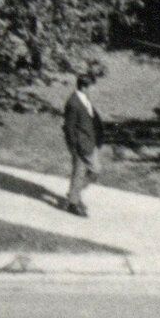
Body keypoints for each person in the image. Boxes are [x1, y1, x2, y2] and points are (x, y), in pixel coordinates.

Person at [60, 62, 104, 217]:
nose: (93, 89)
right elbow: (69, 127)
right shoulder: (73, 103)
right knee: (93, 170)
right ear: (85, 87)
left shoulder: (84, 98)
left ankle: (74, 196)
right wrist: (73, 146)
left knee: (83, 173)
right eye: (91, 86)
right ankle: (73, 201)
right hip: (81, 144)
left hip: (89, 142)